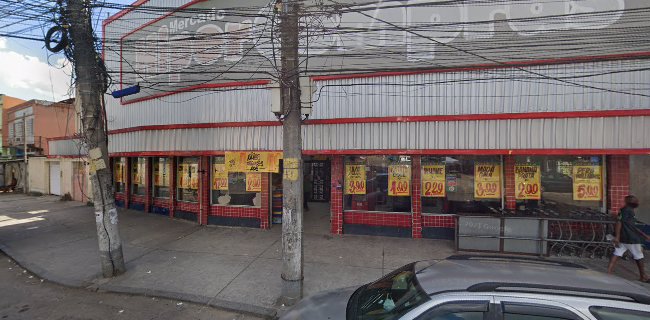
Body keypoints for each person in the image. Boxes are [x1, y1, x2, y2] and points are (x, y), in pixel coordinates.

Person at [608, 195, 650, 281]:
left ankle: (608, 272)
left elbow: (626, 223)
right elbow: (620, 223)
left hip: (624, 237)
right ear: (631, 202)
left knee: (617, 253)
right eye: (636, 201)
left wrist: (618, 236)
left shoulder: (624, 210)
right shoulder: (628, 211)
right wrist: (617, 236)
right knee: (639, 256)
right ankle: (643, 276)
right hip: (631, 238)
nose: (638, 203)